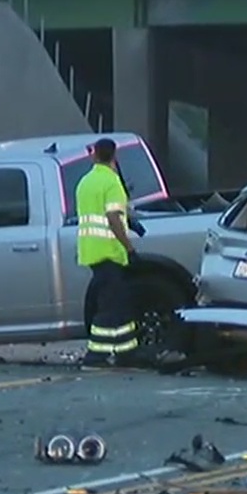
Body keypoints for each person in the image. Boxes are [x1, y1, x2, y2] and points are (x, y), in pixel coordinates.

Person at [75, 138, 142, 368]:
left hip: (91, 251)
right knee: (110, 307)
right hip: (111, 252)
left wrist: (130, 222)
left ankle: (126, 353)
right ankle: (96, 355)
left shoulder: (85, 182)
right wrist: (130, 248)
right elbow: (113, 217)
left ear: (94, 155)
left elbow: (99, 213)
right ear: (114, 156)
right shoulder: (112, 182)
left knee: (117, 304)